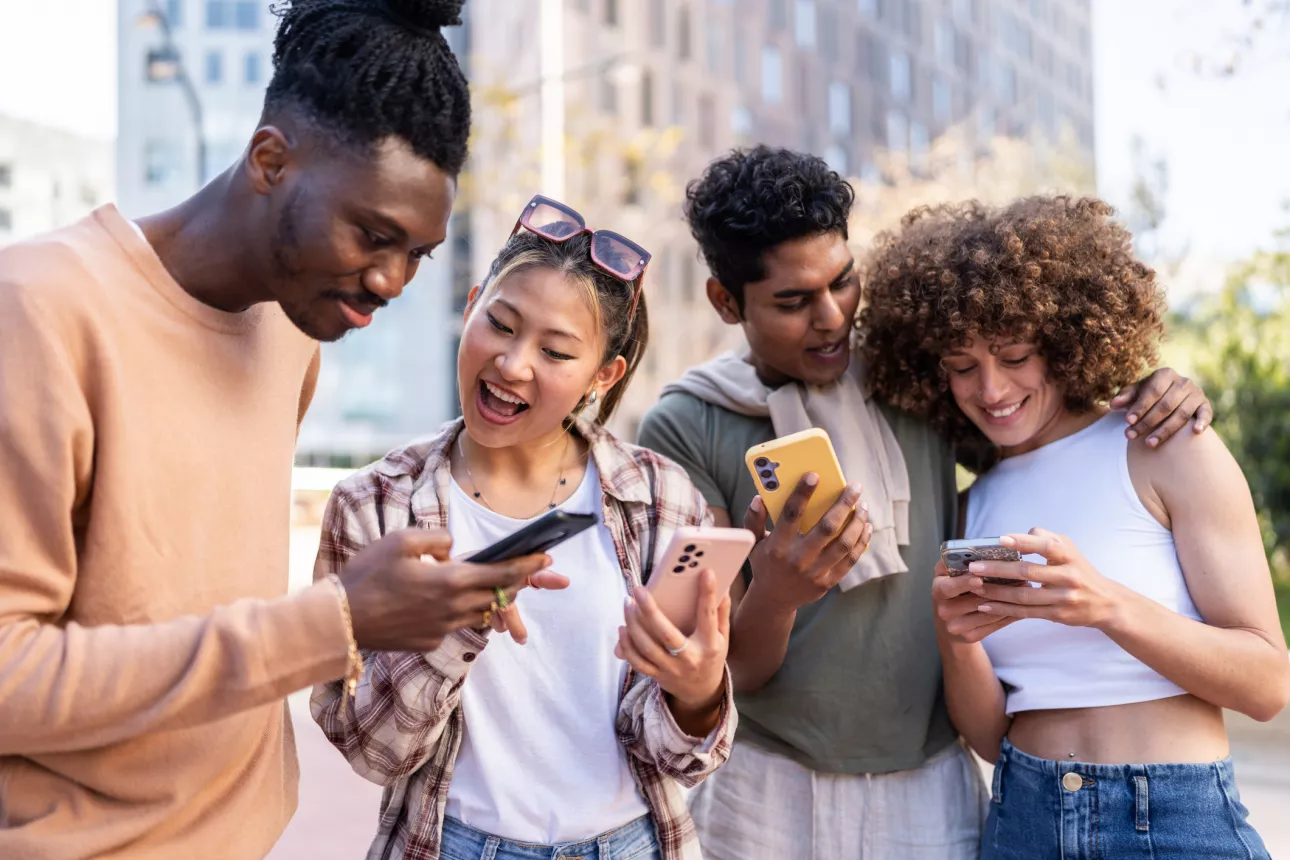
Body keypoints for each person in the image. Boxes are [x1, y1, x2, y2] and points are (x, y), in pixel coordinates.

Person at [0, 2, 551, 858]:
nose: (393, 280)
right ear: (270, 160)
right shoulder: (40, 313)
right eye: (374, 236)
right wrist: (331, 621)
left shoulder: (294, 331)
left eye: (418, 253)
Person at [635, 146, 1216, 860]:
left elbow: (1043, 425)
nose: (831, 319)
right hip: (766, 782)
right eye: (792, 301)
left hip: (930, 777)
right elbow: (724, 672)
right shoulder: (686, 425)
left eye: (843, 283)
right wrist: (780, 592)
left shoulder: (917, 373)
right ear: (727, 302)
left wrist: (1157, 387)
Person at [311, 196, 745, 860]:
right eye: (502, 324)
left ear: (604, 376)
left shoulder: (660, 497)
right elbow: (368, 749)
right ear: (472, 304)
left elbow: (680, 757)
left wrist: (698, 695)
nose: (513, 364)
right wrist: (451, 626)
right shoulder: (372, 506)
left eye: (555, 351)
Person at [860, 195, 1290, 859]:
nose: (991, 390)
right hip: (1023, 818)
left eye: (1013, 355)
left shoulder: (1162, 447)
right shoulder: (972, 509)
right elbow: (988, 735)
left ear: (1064, 339)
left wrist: (1105, 605)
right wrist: (955, 635)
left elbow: (1266, 685)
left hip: (1173, 821)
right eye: (961, 366)